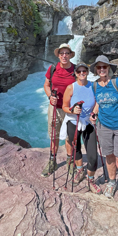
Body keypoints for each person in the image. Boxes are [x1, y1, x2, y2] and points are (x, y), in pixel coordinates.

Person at [90, 55, 118, 208]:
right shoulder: (95, 85)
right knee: (109, 157)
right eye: (99, 67)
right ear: (96, 70)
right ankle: (111, 182)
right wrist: (94, 113)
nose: (102, 69)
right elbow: (99, 102)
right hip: (104, 127)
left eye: (104, 66)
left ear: (109, 68)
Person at [61, 62, 102, 194]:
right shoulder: (70, 87)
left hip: (88, 123)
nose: (82, 73)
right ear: (76, 74)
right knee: (76, 148)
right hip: (73, 121)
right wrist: (73, 110)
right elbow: (64, 106)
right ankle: (80, 170)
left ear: (87, 72)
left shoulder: (93, 86)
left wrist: (94, 113)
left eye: (84, 71)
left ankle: (90, 180)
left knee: (93, 156)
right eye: (79, 72)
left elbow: (97, 103)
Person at [42, 43, 75, 177]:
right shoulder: (53, 68)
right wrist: (50, 96)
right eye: (62, 53)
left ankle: (70, 162)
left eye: (67, 53)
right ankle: (52, 161)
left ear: (70, 55)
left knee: (69, 137)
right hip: (54, 107)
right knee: (54, 135)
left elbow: (81, 88)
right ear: (58, 55)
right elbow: (46, 85)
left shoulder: (76, 70)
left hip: (69, 109)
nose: (64, 56)